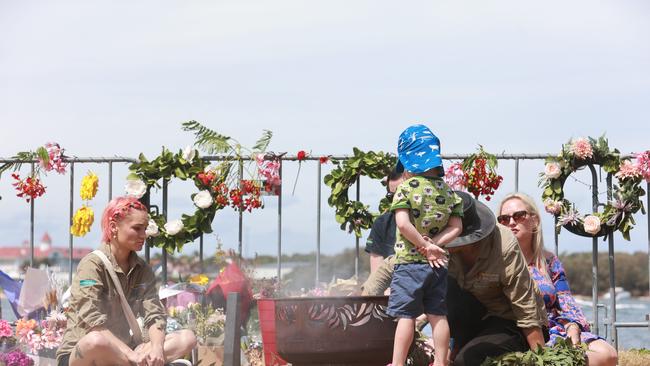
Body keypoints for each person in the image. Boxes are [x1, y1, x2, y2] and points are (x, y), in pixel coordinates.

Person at [363, 190, 547, 366]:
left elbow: (526, 311)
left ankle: (461, 352)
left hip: (509, 321)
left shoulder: (504, 246)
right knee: (441, 281)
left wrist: (543, 359)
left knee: (469, 361)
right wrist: (363, 303)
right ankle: (456, 348)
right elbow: (393, 264)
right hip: (474, 314)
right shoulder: (438, 243)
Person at [56, 196, 196, 366]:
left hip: (125, 350)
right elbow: (92, 321)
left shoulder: (142, 269)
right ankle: (135, 362)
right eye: (137, 228)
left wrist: (157, 348)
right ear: (114, 227)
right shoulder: (92, 265)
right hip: (85, 353)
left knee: (187, 338)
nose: (143, 235)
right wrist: (132, 355)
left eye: (145, 229)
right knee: (95, 341)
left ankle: (136, 361)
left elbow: (154, 315)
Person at [498, 193, 618, 366]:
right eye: (503, 219)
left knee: (607, 354)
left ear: (534, 220)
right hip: (515, 332)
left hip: (554, 328)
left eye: (519, 216)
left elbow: (565, 300)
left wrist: (573, 327)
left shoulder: (548, 261)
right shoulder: (497, 262)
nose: (511, 222)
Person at [386, 124, 463, 366]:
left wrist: (422, 245)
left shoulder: (406, 188)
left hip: (409, 264)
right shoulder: (449, 192)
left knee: (406, 316)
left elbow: (403, 225)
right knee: (438, 315)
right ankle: (441, 362)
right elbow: (456, 228)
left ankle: (398, 364)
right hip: (437, 264)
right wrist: (434, 245)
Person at [365, 168, 403, 273]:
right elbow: (376, 270)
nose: (397, 200)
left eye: (402, 194)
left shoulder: (432, 221)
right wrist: (386, 290)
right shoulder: (382, 223)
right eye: (391, 196)